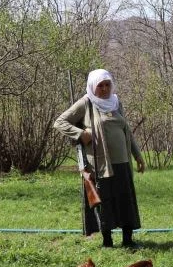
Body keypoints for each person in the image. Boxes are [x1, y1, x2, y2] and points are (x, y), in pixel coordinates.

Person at [54, 69, 146, 248]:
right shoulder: (86, 103)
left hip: (123, 162)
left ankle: (128, 240)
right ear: (92, 87)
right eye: (100, 86)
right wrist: (80, 133)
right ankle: (107, 241)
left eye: (107, 85)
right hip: (100, 164)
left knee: (125, 200)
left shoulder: (116, 102)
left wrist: (138, 156)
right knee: (106, 201)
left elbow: (126, 132)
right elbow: (60, 122)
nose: (104, 89)